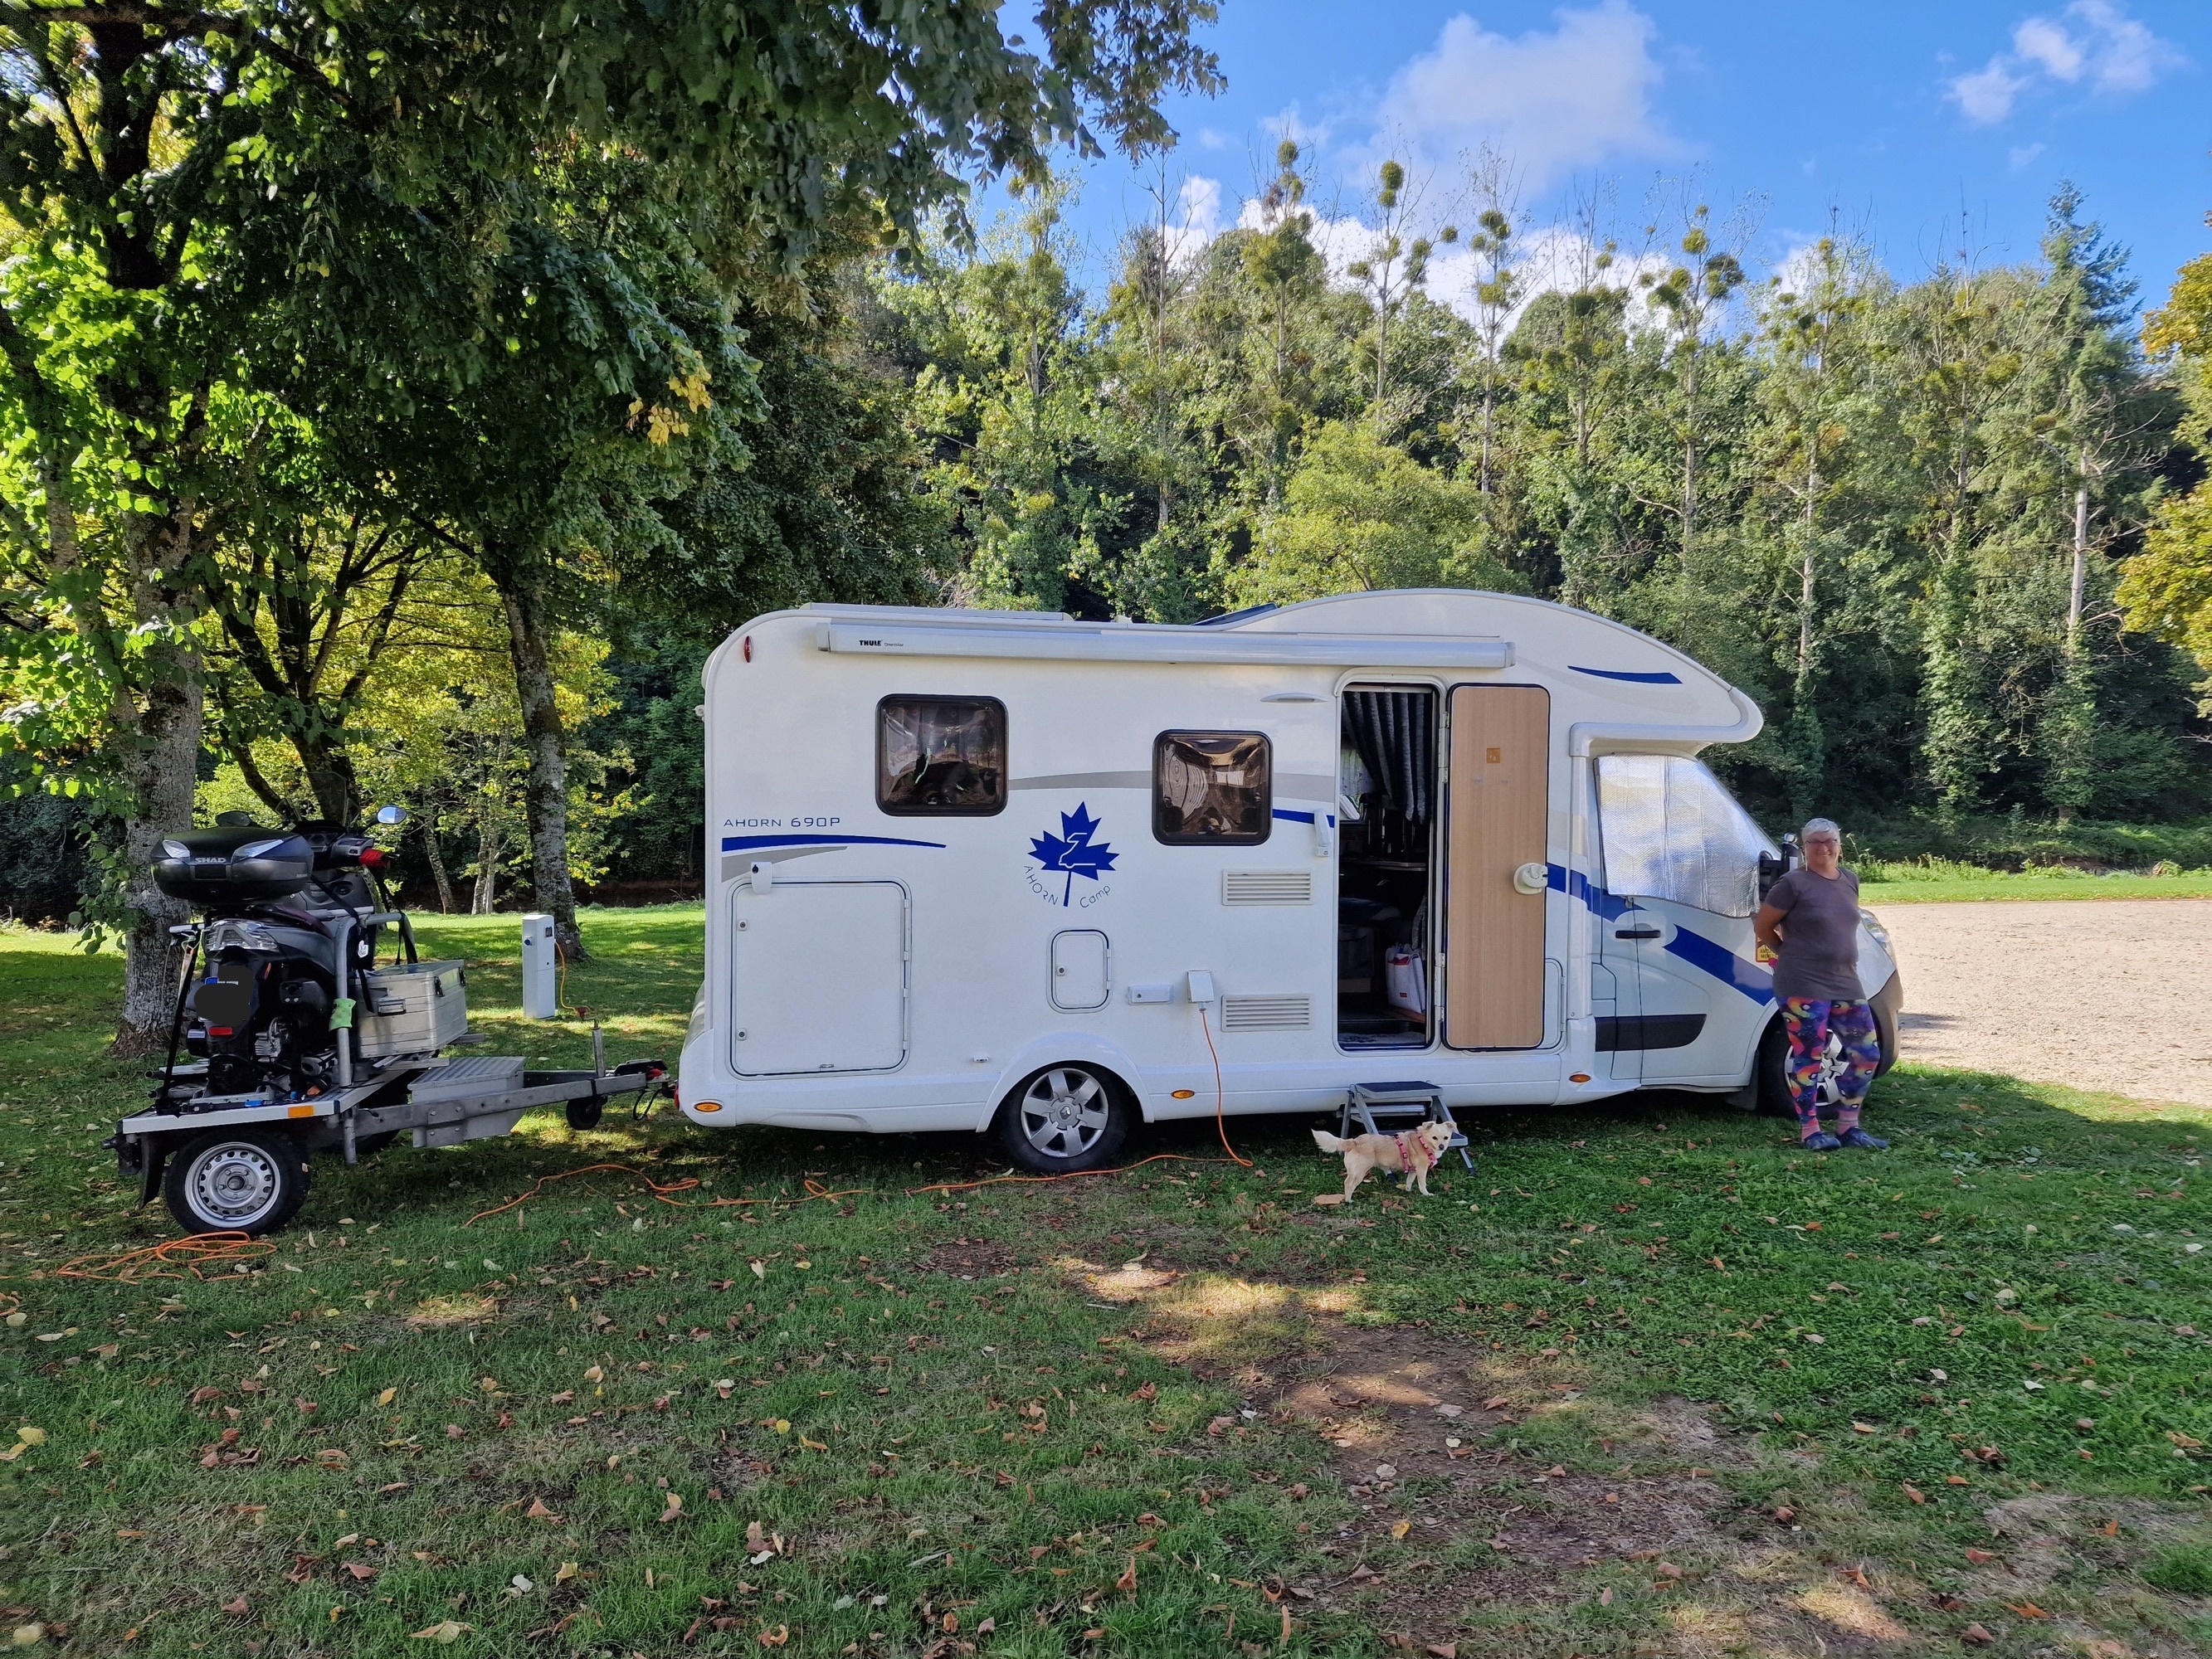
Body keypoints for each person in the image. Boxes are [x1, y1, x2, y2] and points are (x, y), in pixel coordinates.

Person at [1753, 818, 1887, 1151]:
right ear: (1804, 848)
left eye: (1829, 841)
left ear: (1840, 845)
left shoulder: (1849, 880)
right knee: (1809, 1057)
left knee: (1866, 1054)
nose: (1823, 848)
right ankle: (1810, 1129)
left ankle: (1848, 1126)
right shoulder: (1792, 884)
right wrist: (1789, 955)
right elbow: (1763, 928)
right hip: (1802, 983)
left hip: (1845, 981)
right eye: (1814, 842)